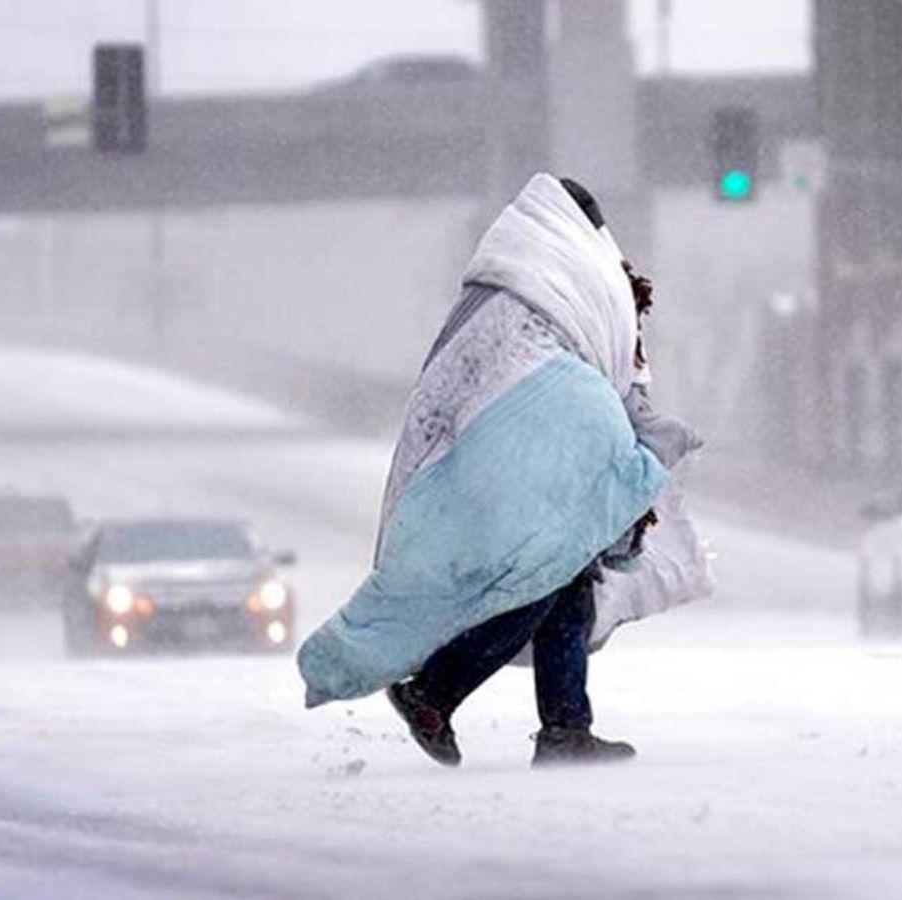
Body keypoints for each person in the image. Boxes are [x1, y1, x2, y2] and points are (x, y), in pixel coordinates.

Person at [298, 173, 701, 767]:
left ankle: (565, 727)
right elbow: (596, 373)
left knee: (564, 581)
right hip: (526, 459)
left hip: (493, 458)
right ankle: (436, 692)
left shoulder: (503, 288)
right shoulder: (571, 281)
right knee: (542, 577)